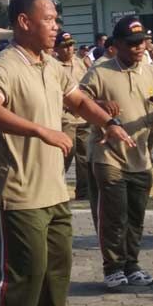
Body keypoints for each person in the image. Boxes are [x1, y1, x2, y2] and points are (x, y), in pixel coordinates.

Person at [0, 0, 134, 306]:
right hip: (19, 195)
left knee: (57, 278)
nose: (56, 26)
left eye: (56, 19)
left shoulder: (51, 64)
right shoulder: (5, 66)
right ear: (24, 22)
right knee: (22, 283)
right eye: (49, 19)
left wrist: (108, 122)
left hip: (54, 194)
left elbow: (77, 100)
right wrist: (40, 130)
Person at [81, 16, 153, 288]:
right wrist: (100, 103)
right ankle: (113, 267)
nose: (139, 48)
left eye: (142, 43)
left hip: (141, 157)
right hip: (108, 156)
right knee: (114, 214)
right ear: (115, 45)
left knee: (135, 216)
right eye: (132, 43)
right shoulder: (100, 72)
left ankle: (132, 264)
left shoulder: (150, 72)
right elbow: (76, 102)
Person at [55, 30, 91, 200]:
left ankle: (83, 190)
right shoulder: (53, 66)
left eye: (71, 45)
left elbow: (86, 88)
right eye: (64, 46)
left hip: (83, 118)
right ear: (56, 49)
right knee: (65, 155)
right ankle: (56, 188)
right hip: (65, 118)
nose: (69, 49)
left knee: (84, 156)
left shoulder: (80, 63)